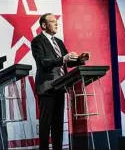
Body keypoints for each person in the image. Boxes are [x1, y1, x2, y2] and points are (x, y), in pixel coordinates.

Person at [31, 13, 90, 150]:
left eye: (56, 21)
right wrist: (63, 58)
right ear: (44, 25)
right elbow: (43, 63)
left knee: (58, 123)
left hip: (61, 87)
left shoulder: (59, 42)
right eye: (52, 21)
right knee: (46, 125)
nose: (56, 23)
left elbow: (67, 63)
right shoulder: (37, 41)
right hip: (47, 88)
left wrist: (80, 59)